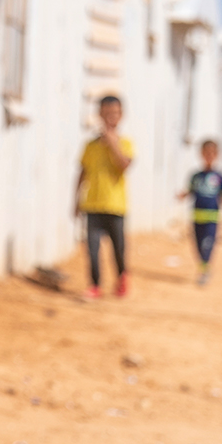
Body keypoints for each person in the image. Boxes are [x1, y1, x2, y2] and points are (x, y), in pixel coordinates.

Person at [75, 94, 134, 299]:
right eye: (107, 112)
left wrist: (112, 143)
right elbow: (82, 172)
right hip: (92, 204)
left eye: (115, 113)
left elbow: (124, 165)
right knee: (92, 249)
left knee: (118, 249)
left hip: (115, 206)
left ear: (121, 115)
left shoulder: (125, 143)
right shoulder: (90, 146)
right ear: (100, 114)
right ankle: (95, 285)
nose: (111, 117)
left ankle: (122, 278)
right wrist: (76, 200)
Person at [179, 140, 222, 286]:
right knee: (197, 246)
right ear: (201, 154)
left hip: (211, 218)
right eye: (206, 153)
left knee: (208, 245)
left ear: (217, 155)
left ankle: (204, 271)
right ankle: (203, 267)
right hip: (197, 217)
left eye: (212, 153)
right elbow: (191, 191)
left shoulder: (219, 177)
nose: (209, 156)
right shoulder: (196, 176)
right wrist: (183, 195)